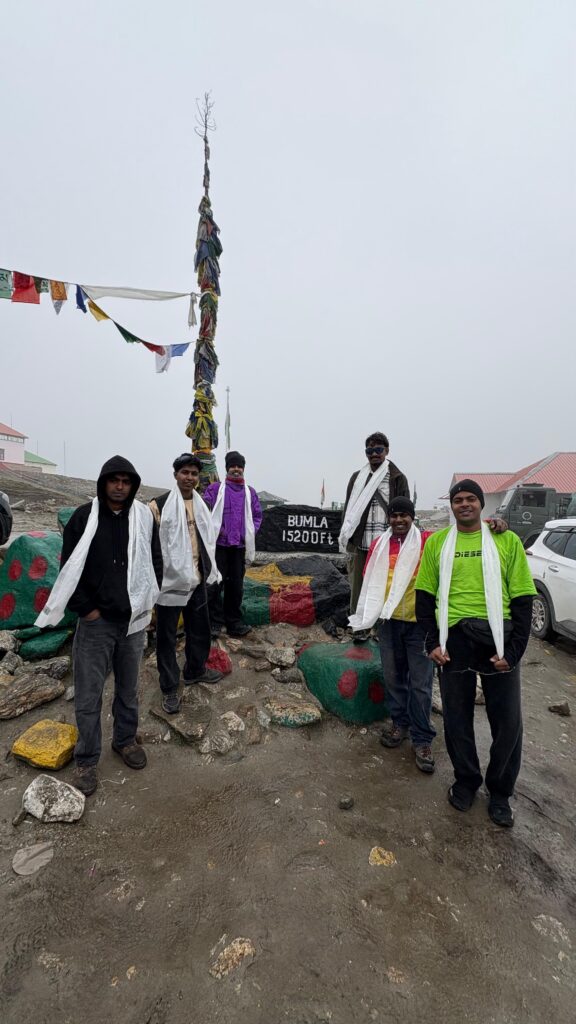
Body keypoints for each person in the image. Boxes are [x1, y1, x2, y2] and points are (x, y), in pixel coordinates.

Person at [35, 456, 163, 797]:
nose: (120, 486)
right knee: (89, 694)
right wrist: (86, 610)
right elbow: (69, 568)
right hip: (96, 623)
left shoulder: (143, 519)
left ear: (133, 484)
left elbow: (155, 563)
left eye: (125, 480)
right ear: (104, 482)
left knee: (128, 688)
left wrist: (148, 603)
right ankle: (87, 759)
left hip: (133, 621)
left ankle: (125, 740)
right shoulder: (84, 517)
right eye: (114, 480)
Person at [415, 479, 536, 828]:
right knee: (456, 718)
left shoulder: (505, 540)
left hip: (499, 637)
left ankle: (500, 792)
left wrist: (514, 652)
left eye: (470, 499)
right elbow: (425, 597)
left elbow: (523, 599)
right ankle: (466, 780)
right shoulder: (438, 543)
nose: (464, 504)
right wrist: (432, 643)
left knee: (508, 722)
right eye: (457, 500)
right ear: (451, 507)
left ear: (482, 505)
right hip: (455, 640)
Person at [350, 497, 436, 772]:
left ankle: (422, 739)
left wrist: (492, 525)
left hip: (419, 625)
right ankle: (400, 724)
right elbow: (369, 583)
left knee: (421, 684)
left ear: (413, 517)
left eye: (404, 516)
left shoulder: (427, 542)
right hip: (388, 624)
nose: (399, 520)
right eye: (394, 515)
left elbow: (461, 535)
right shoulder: (379, 546)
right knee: (393, 677)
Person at [150, 454, 222, 715]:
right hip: (169, 584)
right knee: (166, 638)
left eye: (194, 473)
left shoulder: (202, 506)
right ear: (175, 475)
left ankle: (195, 670)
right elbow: (151, 547)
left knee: (199, 629)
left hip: (197, 578)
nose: (190, 478)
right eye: (185, 473)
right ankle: (169, 687)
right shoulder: (158, 506)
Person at [340, 432, 410, 627]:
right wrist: (347, 537)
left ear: (386, 451)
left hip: (386, 542)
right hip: (361, 540)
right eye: (370, 450)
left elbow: (406, 511)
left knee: (384, 585)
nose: (374, 454)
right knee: (358, 586)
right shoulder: (357, 478)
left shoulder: (397, 478)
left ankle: (382, 626)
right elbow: (349, 509)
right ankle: (358, 626)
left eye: (378, 449)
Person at [203, 451, 263, 638]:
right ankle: (213, 623)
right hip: (218, 547)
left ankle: (234, 623)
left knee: (236, 587)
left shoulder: (250, 493)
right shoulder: (215, 489)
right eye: (233, 466)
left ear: (243, 469)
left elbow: (257, 516)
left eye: (239, 466)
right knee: (214, 585)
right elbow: (203, 512)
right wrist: (216, 529)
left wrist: (247, 534)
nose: (236, 469)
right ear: (227, 468)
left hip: (238, 548)